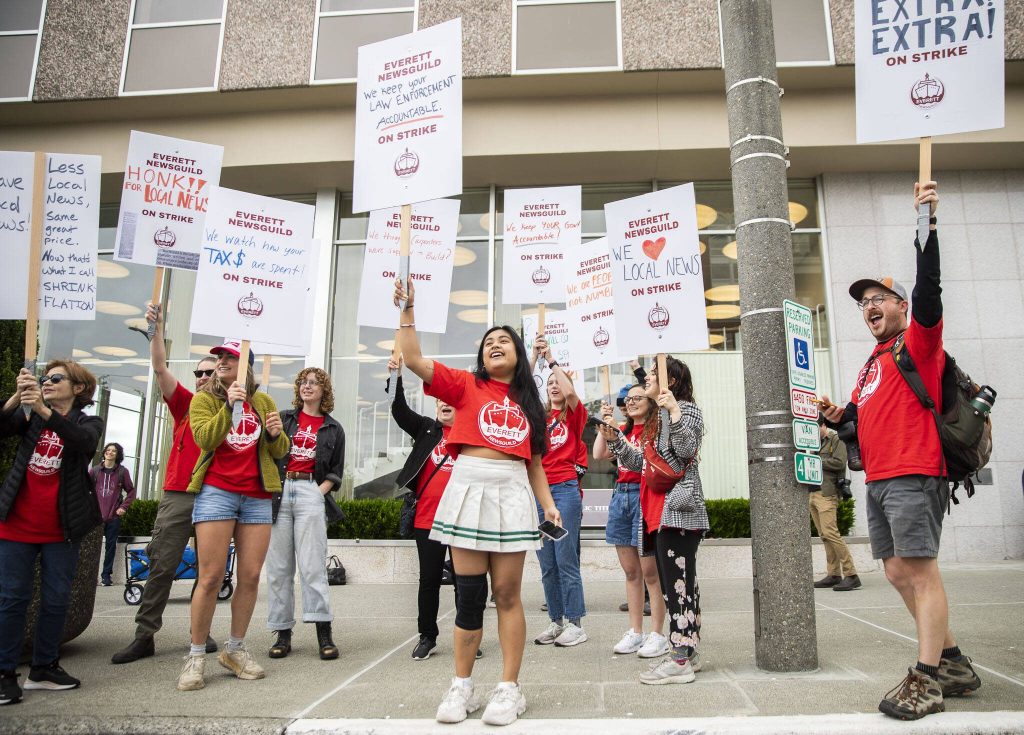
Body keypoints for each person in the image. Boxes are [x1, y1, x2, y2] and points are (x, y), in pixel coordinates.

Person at [820, 181, 980, 720]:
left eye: (878, 299)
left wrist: (925, 227)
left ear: (901, 307)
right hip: (882, 477)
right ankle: (953, 660)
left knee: (920, 569)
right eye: (864, 302)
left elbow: (931, 293)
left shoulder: (918, 342)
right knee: (894, 571)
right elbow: (866, 420)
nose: (869, 307)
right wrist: (841, 416)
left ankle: (928, 678)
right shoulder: (874, 361)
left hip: (916, 472)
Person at [394, 278, 561, 727]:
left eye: (505, 340)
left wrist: (548, 505)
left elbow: (536, 465)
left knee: (507, 594)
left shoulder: (531, 404)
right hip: (468, 488)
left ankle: (509, 689)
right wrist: (407, 310)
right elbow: (411, 359)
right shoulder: (465, 385)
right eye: (489, 341)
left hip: (510, 491)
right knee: (469, 598)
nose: (496, 344)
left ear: (519, 355)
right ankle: (461, 687)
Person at [176, 341, 289, 691]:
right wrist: (229, 405)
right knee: (210, 577)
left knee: (251, 576)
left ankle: (235, 649)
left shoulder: (265, 401)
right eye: (220, 357)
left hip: (256, 496)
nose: (222, 362)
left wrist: (275, 433)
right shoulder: (204, 399)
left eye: (230, 358)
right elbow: (206, 440)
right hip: (217, 493)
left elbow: (280, 451)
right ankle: (196, 656)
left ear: (247, 367)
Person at [111, 302, 218, 664]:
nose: (202, 377)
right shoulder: (186, 403)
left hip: (214, 497)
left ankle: (200, 634)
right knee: (162, 564)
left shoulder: (230, 409)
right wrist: (156, 331)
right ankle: (145, 635)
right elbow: (159, 368)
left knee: (209, 571)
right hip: (179, 494)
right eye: (199, 373)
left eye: (209, 373)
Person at [597, 355, 707, 685]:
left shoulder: (686, 410)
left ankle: (679, 657)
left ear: (670, 381)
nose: (647, 378)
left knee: (679, 587)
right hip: (654, 511)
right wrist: (615, 438)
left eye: (654, 373)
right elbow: (639, 461)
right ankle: (688, 652)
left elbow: (687, 449)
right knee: (680, 586)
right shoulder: (655, 418)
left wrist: (674, 411)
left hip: (678, 511)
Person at [0, 360, 102, 705]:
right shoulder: (28, 417)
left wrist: (43, 409)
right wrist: (17, 398)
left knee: (56, 600)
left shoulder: (88, 421)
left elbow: (81, 443)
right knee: (13, 598)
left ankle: (44, 667)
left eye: (56, 378)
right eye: (44, 377)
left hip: (62, 529)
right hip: (16, 525)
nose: (47, 381)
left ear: (77, 388)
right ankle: (4, 673)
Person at [266, 367, 344, 661]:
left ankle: (324, 631)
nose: (307, 387)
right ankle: (282, 633)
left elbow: (336, 470)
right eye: (303, 382)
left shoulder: (333, 429)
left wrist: (319, 491)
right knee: (279, 569)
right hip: (279, 492)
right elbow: (269, 452)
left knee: (312, 567)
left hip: (311, 490)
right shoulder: (284, 418)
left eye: (314, 383)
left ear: (324, 391)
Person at [388, 355, 462, 661]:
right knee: (429, 580)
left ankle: (468, 634)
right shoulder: (426, 430)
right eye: (439, 401)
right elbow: (399, 410)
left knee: (465, 581)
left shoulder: (471, 435)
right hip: (427, 520)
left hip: (462, 521)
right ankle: (427, 635)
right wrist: (396, 377)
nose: (444, 404)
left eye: (450, 400)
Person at [594, 382, 669, 657]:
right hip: (621, 496)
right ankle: (635, 631)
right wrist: (606, 427)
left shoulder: (655, 429)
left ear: (650, 402)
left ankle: (658, 633)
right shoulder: (623, 429)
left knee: (651, 572)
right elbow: (599, 454)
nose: (633, 401)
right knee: (631, 572)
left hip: (645, 495)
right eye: (629, 398)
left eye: (639, 397)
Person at [528, 335, 588, 648]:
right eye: (549, 382)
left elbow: (570, 392)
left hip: (564, 492)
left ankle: (576, 623)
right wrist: (533, 358)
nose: (554, 385)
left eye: (558, 382)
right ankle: (556, 620)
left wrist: (552, 360)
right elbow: (518, 392)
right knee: (547, 563)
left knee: (566, 559)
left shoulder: (576, 416)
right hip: (542, 496)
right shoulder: (539, 417)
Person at [810, 420, 860, 592]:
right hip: (812, 492)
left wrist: (814, 460)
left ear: (823, 425)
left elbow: (839, 462)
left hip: (827, 492)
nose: (813, 431)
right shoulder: (810, 443)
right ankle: (833, 574)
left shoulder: (836, 439)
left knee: (831, 533)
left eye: (816, 427)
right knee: (824, 535)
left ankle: (851, 574)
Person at [91, 442, 136, 586]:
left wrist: (123, 507)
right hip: (95, 517)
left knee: (110, 546)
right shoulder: (95, 471)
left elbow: (131, 491)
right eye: (108, 450)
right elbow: (85, 489)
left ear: (118, 455)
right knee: (93, 547)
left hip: (113, 517)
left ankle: (106, 576)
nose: (110, 452)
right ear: (104, 452)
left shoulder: (122, 472)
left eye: (113, 451)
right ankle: (90, 577)